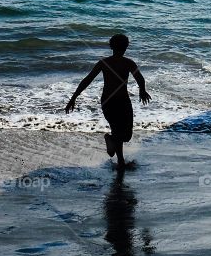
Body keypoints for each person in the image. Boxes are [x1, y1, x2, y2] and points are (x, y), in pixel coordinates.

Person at [65, 34, 151, 171]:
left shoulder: (128, 63)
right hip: (110, 101)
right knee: (118, 131)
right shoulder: (105, 63)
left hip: (121, 100)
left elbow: (140, 78)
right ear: (126, 46)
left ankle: (110, 140)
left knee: (126, 134)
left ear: (112, 46)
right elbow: (88, 80)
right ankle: (121, 161)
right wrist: (73, 97)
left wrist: (142, 90)